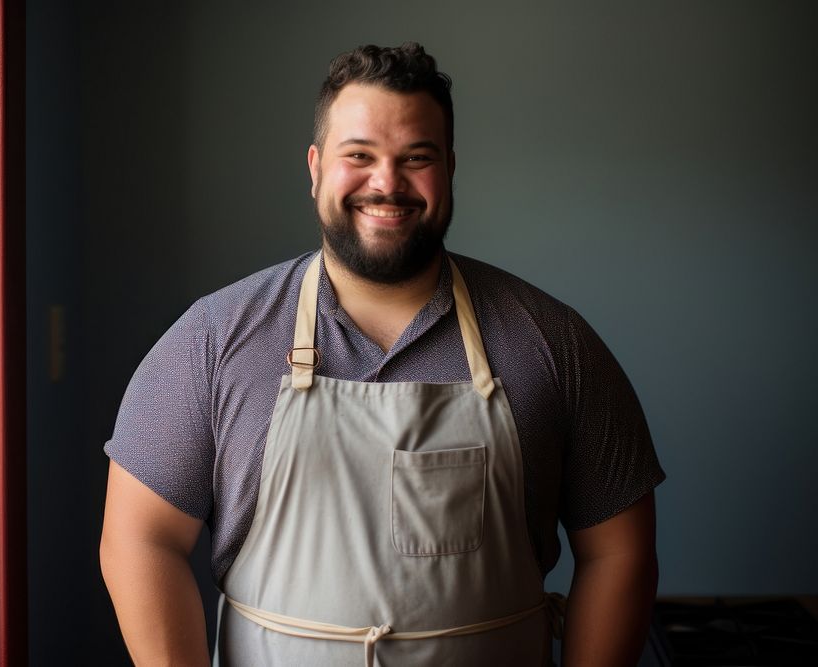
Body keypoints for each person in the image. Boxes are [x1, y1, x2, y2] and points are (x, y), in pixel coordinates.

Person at [100, 42, 665, 666]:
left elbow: (620, 551)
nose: (387, 182)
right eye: (359, 156)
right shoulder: (214, 339)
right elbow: (139, 538)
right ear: (315, 167)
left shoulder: (554, 343)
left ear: (449, 166)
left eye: (415, 157)